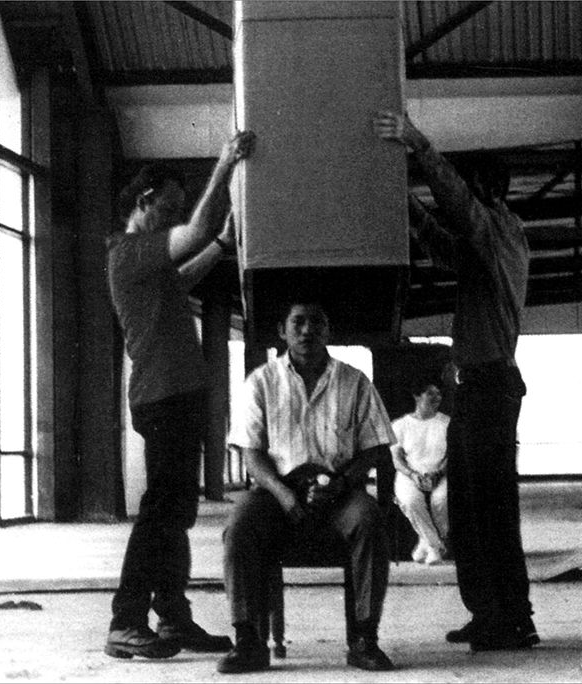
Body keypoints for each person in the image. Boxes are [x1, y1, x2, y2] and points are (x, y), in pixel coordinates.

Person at [374, 111, 538, 652]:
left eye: (471, 190)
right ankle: (495, 613)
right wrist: (402, 201)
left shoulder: (502, 232)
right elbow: (442, 240)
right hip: (481, 387)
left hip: (490, 386)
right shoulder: (485, 250)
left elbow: (459, 211)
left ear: (487, 191)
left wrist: (418, 146)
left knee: (485, 509)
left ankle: (507, 618)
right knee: (475, 509)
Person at [103, 131, 255, 659]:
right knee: (161, 512)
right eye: (167, 205)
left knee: (175, 514)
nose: (174, 215)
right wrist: (226, 163)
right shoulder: (129, 250)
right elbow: (196, 230)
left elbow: (184, 273)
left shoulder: (150, 264)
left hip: (176, 395)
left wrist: (218, 247)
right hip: (163, 397)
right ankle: (125, 621)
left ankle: (171, 618)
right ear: (144, 202)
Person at [218, 301, 397, 674]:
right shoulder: (261, 382)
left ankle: (364, 639)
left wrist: (343, 482)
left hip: (340, 490)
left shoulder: (354, 381)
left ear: (328, 331)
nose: (306, 330)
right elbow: (251, 453)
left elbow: (376, 446)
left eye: (317, 322)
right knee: (239, 523)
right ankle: (248, 640)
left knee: (369, 519)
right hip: (277, 492)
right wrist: (284, 495)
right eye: (297, 322)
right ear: (282, 330)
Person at [390, 379, 450, 565]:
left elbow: (451, 455)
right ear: (417, 396)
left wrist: (438, 473)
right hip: (409, 474)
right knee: (410, 500)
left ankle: (426, 543)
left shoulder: (447, 423)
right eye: (430, 393)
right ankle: (435, 546)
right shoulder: (400, 425)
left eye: (438, 394)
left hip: (440, 473)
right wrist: (413, 475)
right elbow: (397, 460)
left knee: (442, 501)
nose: (436, 398)